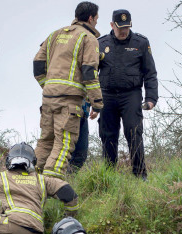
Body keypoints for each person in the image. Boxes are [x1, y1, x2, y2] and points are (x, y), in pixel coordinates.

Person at [33, 2, 104, 180]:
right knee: (63, 145)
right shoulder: (88, 38)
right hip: (69, 101)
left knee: (45, 142)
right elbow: (89, 72)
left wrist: (47, 85)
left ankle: (29, 183)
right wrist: (97, 102)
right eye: (96, 19)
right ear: (90, 18)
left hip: (48, 98)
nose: (96, 22)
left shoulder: (54, 35)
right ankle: (51, 186)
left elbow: (37, 65)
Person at [97, 10, 158, 179]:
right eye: (119, 28)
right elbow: (91, 73)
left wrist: (151, 98)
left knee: (134, 132)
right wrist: (92, 101)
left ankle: (140, 175)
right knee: (108, 135)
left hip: (131, 95)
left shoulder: (141, 42)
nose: (123, 31)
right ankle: (109, 176)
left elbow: (150, 73)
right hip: (107, 95)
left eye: (127, 27)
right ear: (112, 25)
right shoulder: (100, 44)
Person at [68, 101, 91, 173]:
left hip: (84, 115)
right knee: (64, 152)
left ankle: (69, 180)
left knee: (81, 155)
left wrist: (96, 107)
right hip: (68, 114)